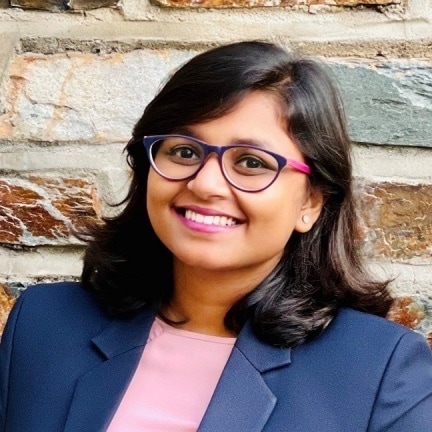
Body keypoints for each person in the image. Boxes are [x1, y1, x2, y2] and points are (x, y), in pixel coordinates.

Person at [0, 40, 431, 432]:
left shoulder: (379, 370)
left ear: (311, 202)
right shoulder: (44, 324)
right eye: (184, 151)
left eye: (252, 162)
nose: (206, 184)